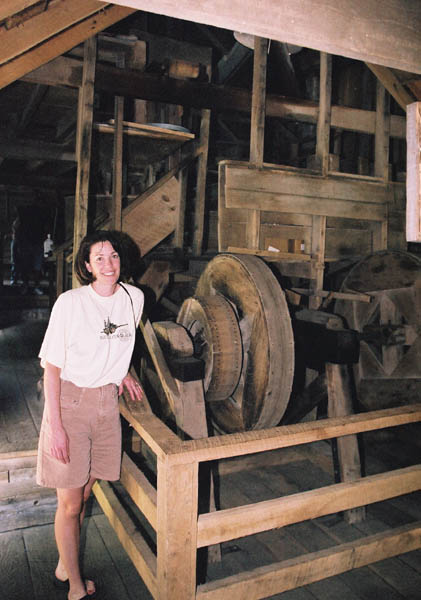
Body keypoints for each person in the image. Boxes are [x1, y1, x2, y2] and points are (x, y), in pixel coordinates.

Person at [36, 230, 144, 600]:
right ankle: (75, 587)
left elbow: (118, 341)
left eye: (113, 256)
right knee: (70, 504)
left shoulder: (134, 298)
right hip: (70, 404)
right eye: (99, 258)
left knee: (84, 493)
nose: (108, 264)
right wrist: (56, 428)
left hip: (106, 406)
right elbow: (51, 368)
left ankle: (64, 565)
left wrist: (121, 372)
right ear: (87, 265)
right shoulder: (70, 303)